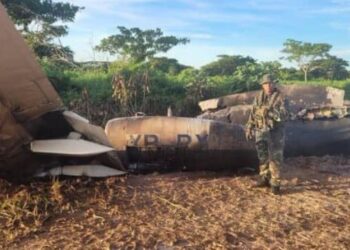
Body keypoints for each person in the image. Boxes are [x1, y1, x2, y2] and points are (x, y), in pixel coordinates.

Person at [245, 74, 289, 195]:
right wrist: (249, 127)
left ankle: (275, 183)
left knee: (276, 157)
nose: (268, 86)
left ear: (274, 84)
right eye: (265, 84)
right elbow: (253, 113)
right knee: (262, 155)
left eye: (270, 83)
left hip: (276, 132)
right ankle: (264, 177)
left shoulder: (282, 97)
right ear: (262, 85)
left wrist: (270, 111)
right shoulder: (259, 97)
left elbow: (285, 115)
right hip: (261, 130)